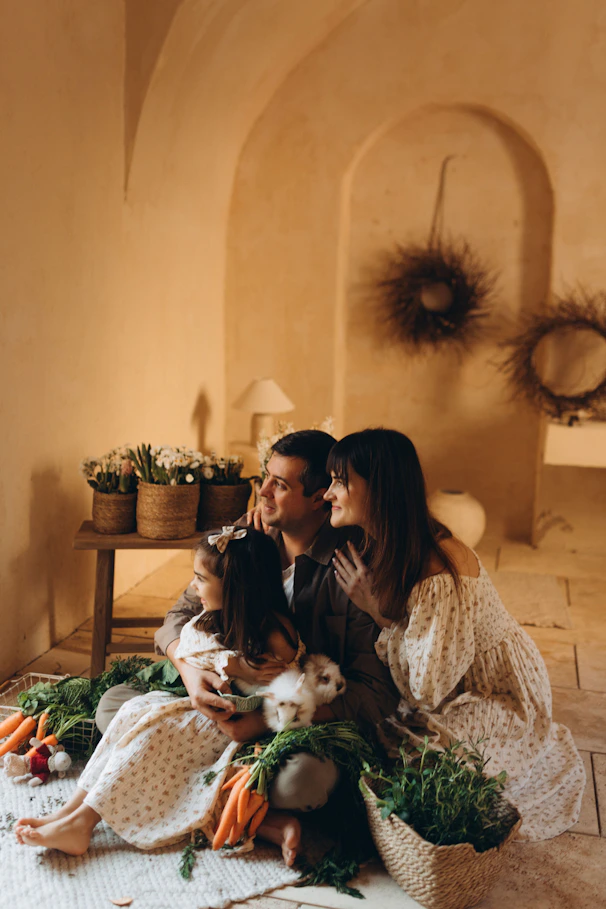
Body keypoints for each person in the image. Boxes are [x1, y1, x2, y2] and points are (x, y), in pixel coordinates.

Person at [323, 427, 585, 841]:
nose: (328, 493)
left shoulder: (437, 569)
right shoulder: (393, 541)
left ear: (378, 489)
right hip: (462, 682)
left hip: (505, 693)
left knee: (420, 757)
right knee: (391, 741)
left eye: (340, 481)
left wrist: (376, 611)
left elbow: (426, 689)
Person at [15, 528, 307, 862]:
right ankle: (67, 811)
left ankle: (82, 824)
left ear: (236, 588)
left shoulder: (277, 636)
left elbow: (293, 698)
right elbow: (193, 645)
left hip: (237, 729)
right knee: (134, 709)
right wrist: (238, 667)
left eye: (201, 578)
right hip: (206, 713)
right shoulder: (218, 617)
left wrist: (251, 683)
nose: (193, 586)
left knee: (156, 732)